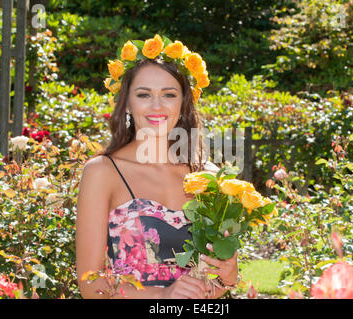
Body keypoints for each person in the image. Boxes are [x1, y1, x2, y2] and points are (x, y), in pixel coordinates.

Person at [76, 34, 239, 299]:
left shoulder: (207, 176)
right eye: (143, 94)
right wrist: (161, 298)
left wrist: (228, 277)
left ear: (183, 103)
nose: (157, 106)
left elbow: (215, 284)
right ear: (127, 103)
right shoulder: (103, 172)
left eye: (169, 94)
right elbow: (91, 286)